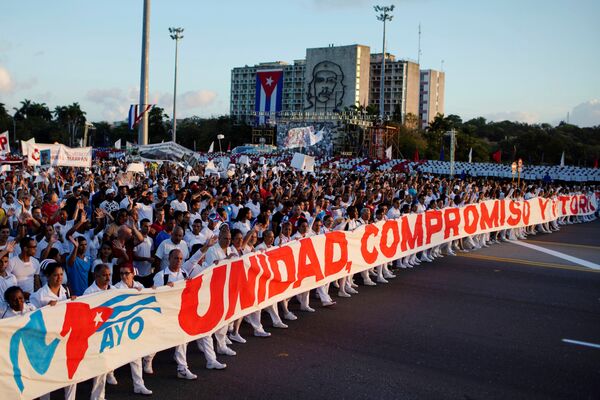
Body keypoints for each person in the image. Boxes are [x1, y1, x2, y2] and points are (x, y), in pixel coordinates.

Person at [146, 249, 197, 380]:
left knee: (182, 339)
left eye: (181, 259)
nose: (178, 261)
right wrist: (165, 289)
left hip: (180, 312)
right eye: (176, 258)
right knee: (159, 340)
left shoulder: (184, 273)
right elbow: (155, 295)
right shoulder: (161, 276)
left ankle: (182, 368)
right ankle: (147, 358)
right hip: (165, 313)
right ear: (169, 259)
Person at [29, 262, 77, 400]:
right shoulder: (38, 296)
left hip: (65, 336)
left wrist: (73, 301)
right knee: (46, 374)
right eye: (55, 275)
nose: (59, 278)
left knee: (70, 371)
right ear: (48, 276)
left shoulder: (66, 290)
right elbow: (32, 319)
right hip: (47, 339)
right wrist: (46, 309)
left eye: (61, 274)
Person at [113, 265, 153, 395]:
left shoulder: (139, 284)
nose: (124, 276)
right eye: (121, 274)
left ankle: (139, 385)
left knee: (136, 355)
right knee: (114, 355)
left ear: (133, 274)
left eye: (126, 273)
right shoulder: (116, 288)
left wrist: (149, 290)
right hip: (120, 327)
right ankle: (109, 372)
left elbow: (150, 295)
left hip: (135, 327)